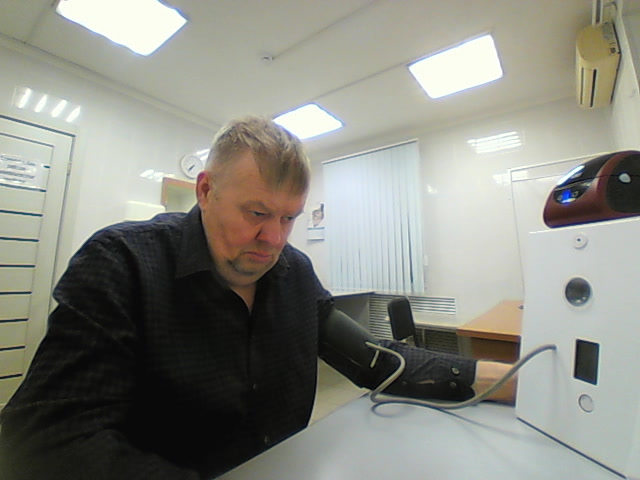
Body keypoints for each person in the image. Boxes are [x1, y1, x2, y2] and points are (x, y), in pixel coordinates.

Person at [0, 116, 515, 480]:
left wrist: (505, 380)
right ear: (206, 191)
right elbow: (47, 440)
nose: (274, 239)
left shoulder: (295, 273)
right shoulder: (121, 263)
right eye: (257, 213)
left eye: (289, 217)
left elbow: (376, 360)